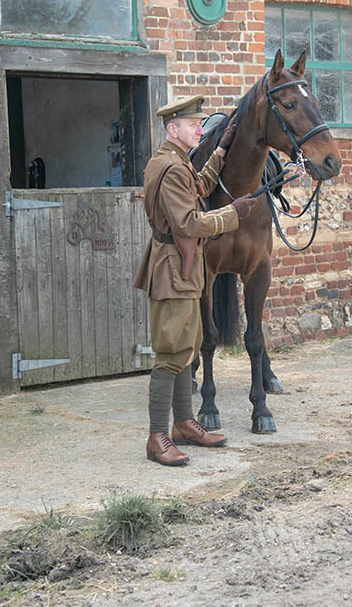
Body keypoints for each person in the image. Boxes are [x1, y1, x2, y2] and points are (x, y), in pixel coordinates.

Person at [133, 94, 255, 466]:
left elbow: (199, 186)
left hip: (184, 269)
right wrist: (232, 214)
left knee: (189, 346)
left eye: (200, 124)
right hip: (173, 269)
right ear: (173, 129)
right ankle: (158, 437)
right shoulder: (170, 169)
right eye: (193, 125)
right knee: (171, 352)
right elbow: (188, 223)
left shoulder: (176, 162)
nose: (200, 129)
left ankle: (184, 423)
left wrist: (221, 148)